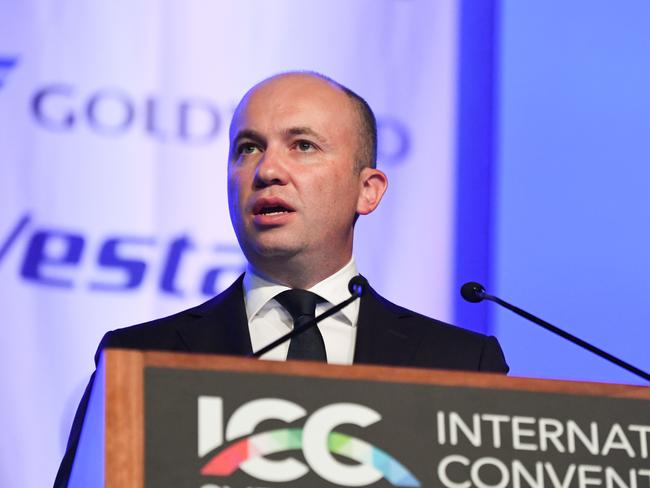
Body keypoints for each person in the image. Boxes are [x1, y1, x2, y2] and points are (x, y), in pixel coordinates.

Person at [55, 71, 508, 486]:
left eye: (303, 145)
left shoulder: (461, 365)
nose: (266, 170)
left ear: (367, 190)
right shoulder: (138, 359)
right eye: (247, 148)